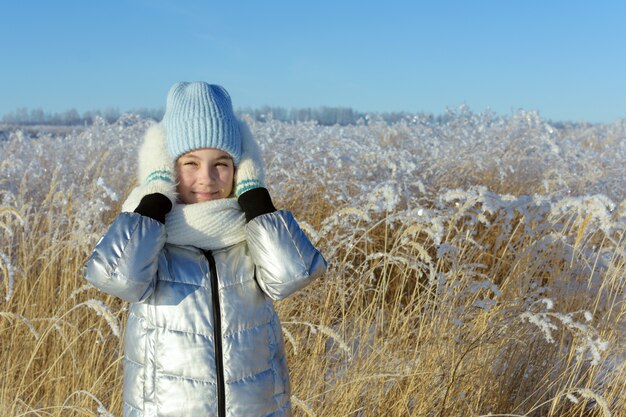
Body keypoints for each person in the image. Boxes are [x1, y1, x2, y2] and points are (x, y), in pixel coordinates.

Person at [84, 81, 327, 417]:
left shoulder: (253, 231)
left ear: (239, 169)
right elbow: (117, 278)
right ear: (168, 168)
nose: (208, 178)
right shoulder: (149, 233)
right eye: (191, 163)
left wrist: (255, 196)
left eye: (222, 164)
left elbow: (290, 276)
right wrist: (155, 195)